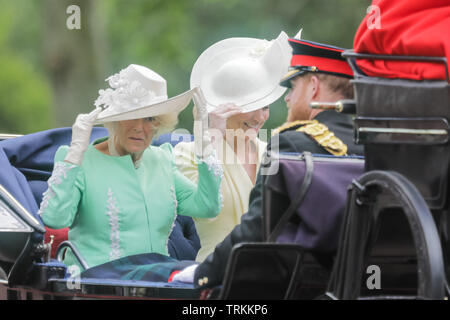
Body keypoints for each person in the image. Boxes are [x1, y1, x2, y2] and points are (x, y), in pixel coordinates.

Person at [172, 36, 364, 286]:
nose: (287, 99)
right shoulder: (367, 143)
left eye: (293, 87)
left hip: (257, 280)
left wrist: (203, 275)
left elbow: (260, 227)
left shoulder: (291, 143)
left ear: (313, 87)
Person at [38, 64, 222, 272]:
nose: (139, 127)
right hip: (97, 285)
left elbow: (208, 206)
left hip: (156, 283)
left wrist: (204, 146)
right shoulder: (80, 160)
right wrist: (74, 155)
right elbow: (54, 218)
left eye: (150, 118)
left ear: (159, 123)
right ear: (115, 119)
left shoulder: (162, 159)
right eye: (131, 116)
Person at [174, 32, 291, 262]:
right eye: (252, 106)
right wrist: (210, 141)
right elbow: (207, 210)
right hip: (216, 274)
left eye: (265, 106)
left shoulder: (272, 151)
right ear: (222, 106)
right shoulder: (186, 154)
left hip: (275, 273)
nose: (260, 118)